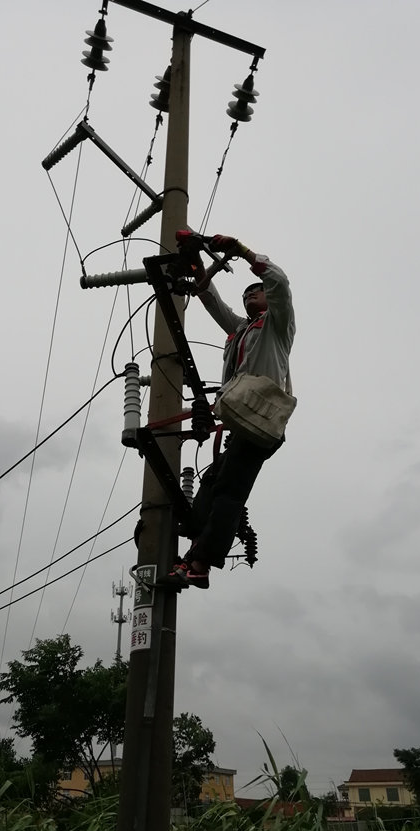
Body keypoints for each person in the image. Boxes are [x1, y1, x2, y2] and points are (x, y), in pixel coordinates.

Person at [163, 234, 295, 590]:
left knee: (230, 491)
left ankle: (201, 563)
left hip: (262, 422)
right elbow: (211, 299)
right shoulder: (240, 330)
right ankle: (193, 548)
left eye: (257, 290)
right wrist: (197, 264)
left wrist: (242, 251)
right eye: (245, 293)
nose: (250, 294)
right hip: (243, 422)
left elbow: (279, 282)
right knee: (213, 482)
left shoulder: (278, 325)